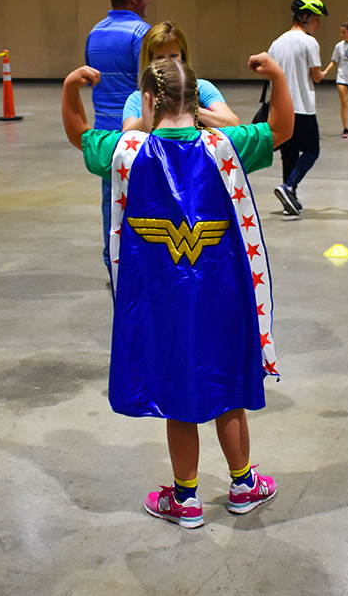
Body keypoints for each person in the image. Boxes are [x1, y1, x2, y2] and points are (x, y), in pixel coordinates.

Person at [61, 52, 294, 528]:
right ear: (196, 98)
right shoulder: (225, 147)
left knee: (178, 395)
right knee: (225, 386)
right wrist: (276, 76)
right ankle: (244, 484)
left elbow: (79, 134)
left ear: (149, 100)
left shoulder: (126, 152)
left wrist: (69, 87)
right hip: (222, 299)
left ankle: (185, 498)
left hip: (161, 307)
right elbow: (282, 130)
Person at [85, 0, 153, 275]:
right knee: (144, 198)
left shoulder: (94, 33)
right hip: (136, 132)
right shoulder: (141, 34)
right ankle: (138, 264)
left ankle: (111, 261)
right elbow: (151, 85)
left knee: (111, 199)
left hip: (105, 133)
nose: (149, 2)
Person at [268, 0, 328, 216]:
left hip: (281, 109)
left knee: (289, 153)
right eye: (316, 19)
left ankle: (288, 201)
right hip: (302, 106)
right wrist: (322, 74)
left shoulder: (277, 43)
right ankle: (289, 186)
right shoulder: (309, 42)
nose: (318, 23)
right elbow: (316, 76)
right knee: (312, 149)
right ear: (305, 17)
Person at [121, 21, 239, 132]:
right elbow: (126, 137)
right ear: (149, 60)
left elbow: (233, 124)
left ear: (182, 56)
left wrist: (188, 108)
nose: (168, 63)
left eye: (173, 56)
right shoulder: (137, 98)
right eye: (160, 58)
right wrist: (156, 108)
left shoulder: (202, 87)